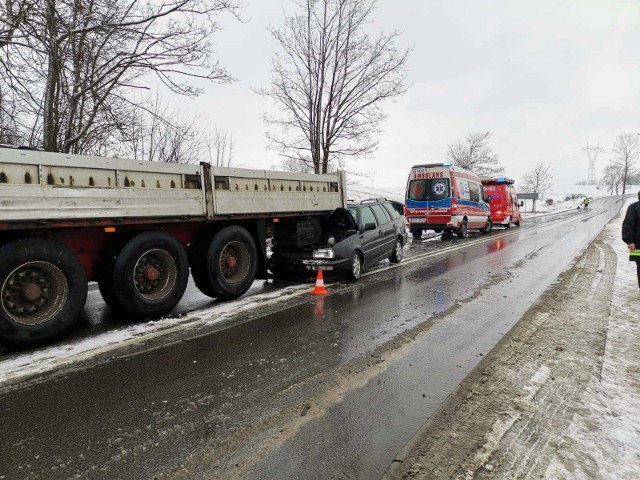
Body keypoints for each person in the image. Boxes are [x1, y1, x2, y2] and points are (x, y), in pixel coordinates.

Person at [622, 191, 640, 287]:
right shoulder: (633, 207)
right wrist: (629, 241)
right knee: (639, 264)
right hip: (636, 244)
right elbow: (628, 225)